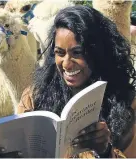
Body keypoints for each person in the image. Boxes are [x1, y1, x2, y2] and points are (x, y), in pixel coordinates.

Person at [17, 5, 136, 158]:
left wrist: (106, 151)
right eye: (60, 53)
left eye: (77, 53)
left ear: (98, 53)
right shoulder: (34, 96)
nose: (66, 64)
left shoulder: (127, 104)